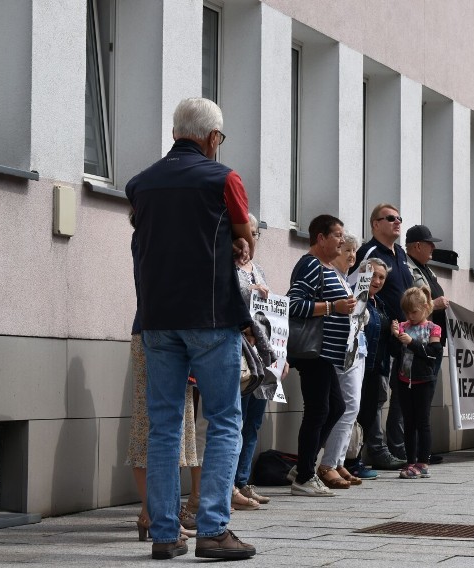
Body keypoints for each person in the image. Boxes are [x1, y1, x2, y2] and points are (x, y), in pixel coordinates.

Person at [126, 97, 256, 560]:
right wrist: (243, 244)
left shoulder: (140, 184)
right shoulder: (224, 178)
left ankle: (164, 534)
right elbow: (243, 232)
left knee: (164, 426)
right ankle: (213, 530)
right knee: (223, 419)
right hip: (211, 317)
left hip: (156, 319)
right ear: (212, 138)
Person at [126, 217, 200, 542]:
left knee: (177, 426)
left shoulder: (168, 234)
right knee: (152, 424)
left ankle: (161, 512)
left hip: (173, 335)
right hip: (155, 335)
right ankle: (153, 513)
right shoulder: (151, 236)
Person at [287, 215, 357, 497]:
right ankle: (304, 476)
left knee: (335, 408)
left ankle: (303, 464)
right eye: (338, 235)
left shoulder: (327, 267)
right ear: (320, 238)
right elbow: (294, 304)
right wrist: (333, 307)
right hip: (314, 351)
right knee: (318, 410)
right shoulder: (310, 265)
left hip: (327, 353)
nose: (342, 240)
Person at [350, 204, 412, 469]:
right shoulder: (369, 252)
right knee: (370, 397)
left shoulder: (400, 254)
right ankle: (372, 450)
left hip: (399, 338)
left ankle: (394, 446)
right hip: (374, 340)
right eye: (390, 218)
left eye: (399, 218)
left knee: (391, 395)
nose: (397, 222)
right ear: (375, 224)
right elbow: (361, 297)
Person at [232, 214, 283, 509]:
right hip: (240, 354)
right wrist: (250, 292)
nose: (250, 240)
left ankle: (242, 481)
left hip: (261, 356)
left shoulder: (259, 269)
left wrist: (280, 357)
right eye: (246, 232)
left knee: (253, 422)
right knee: (235, 420)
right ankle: (230, 486)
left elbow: (273, 318)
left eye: (255, 234)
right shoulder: (227, 268)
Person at [317, 233, 367, 489]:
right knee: (347, 405)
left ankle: (336, 460)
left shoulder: (345, 280)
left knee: (351, 407)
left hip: (357, 347)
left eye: (354, 252)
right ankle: (327, 463)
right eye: (346, 250)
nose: (351, 256)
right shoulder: (329, 276)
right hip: (342, 349)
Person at [404, 224, 449, 464]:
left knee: (424, 403)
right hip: (416, 344)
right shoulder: (408, 268)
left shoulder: (426, 269)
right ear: (417, 246)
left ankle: (422, 452)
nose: (433, 248)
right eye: (429, 243)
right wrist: (435, 305)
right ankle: (408, 451)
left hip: (431, 343)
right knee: (412, 404)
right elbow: (413, 302)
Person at [389, 287, 442, 479]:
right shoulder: (403, 326)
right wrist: (395, 336)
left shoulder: (432, 328)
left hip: (424, 380)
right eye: (407, 312)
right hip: (404, 379)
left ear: (425, 308)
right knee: (408, 422)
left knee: (422, 422)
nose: (410, 316)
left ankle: (423, 462)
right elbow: (394, 352)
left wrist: (411, 342)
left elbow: (433, 354)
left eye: (414, 312)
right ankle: (410, 460)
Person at [345, 257, 391, 480]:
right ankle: (348, 462)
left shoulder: (378, 302)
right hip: (358, 365)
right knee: (354, 413)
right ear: (362, 274)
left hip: (376, 368)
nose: (378, 281)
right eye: (373, 275)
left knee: (366, 415)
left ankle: (355, 460)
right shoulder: (356, 297)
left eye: (382, 277)